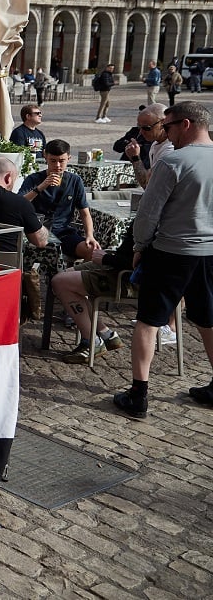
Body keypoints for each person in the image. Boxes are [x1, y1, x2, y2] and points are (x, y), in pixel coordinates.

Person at [115, 101, 213, 418]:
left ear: (185, 124)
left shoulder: (173, 161)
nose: (165, 133)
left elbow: (147, 213)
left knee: (149, 321)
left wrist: (140, 245)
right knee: (208, 319)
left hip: (172, 251)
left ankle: (138, 394)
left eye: (167, 126)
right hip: (208, 252)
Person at [51, 222, 134, 364]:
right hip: (115, 265)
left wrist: (106, 258)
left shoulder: (153, 219)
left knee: (60, 282)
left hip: (127, 278)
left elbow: (138, 262)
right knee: (64, 276)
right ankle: (105, 334)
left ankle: (91, 341)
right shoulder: (150, 214)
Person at [18, 139, 98, 260]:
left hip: (63, 232)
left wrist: (90, 235)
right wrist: (40, 188)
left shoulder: (75, 181)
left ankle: (73, 276)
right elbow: (20, 203)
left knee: (93, 251)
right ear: (45, 156)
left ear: (69, 158)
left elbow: (85, 213)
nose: (57, 165)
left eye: (62, 161)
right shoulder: (34, 179)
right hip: (37, 231)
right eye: (53, 161)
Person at [122, 103, 173, 187]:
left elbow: (148, 185)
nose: (141, 132)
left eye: (147, 128)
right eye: (139, 127)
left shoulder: (169, 150)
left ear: (163, 123)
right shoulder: (156, 143)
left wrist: (135, 158)